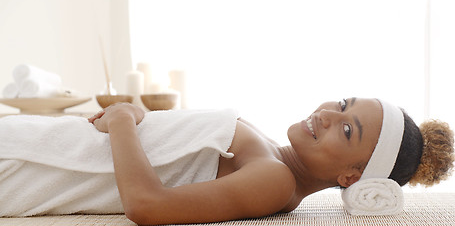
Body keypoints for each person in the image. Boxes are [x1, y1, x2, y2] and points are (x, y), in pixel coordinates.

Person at [0, 98, 453, 225]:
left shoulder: (275, 182)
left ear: (350, 176)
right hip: (35, 140)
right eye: (344, 101)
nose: (328, 114)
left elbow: (146, 205)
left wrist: (121, 123)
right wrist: (138, 114)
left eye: (347, 129)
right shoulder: (271, 152)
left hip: (25, 166)